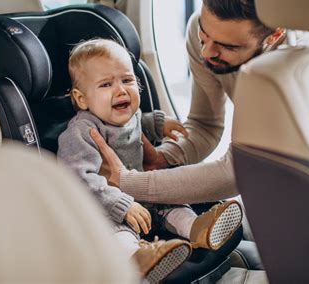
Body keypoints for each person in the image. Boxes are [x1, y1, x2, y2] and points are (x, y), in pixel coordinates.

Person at [90, 0, 285, 204]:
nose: (206, 52)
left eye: (228, 47)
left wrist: (127, 182)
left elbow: (238, 172)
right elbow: (206, 125)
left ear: (274, 36)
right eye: (204, 36)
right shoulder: (201, 31)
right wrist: (162, 158)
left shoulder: (286, 71)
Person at [57, 39, 244, 282]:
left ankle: (198, 229)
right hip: (108, 208)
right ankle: (141, 258)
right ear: (82, 99)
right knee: (117, 233)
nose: (121, 90)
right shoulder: (81, 132)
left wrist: (158, 123)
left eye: (127, 80)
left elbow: (138, 123)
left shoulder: (125, 114)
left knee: (175, 206)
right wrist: (121, 204)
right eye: (106, 84)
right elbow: (77, 180)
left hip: (143, 197)